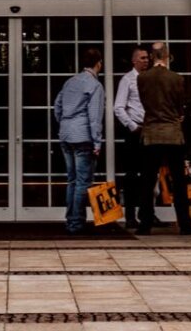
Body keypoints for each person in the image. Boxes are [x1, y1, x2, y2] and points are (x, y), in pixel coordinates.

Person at [136, 40, 191, 235]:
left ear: (152, 56)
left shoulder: (142, 78)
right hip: (172, 133)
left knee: (148, 180)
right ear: (166, 56)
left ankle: (145, 223)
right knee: (179, 181)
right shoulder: (176, 78)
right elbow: (180, 107)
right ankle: (184, 223)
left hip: (151, 133)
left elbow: (144, 102)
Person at [54, 45, 104, 237]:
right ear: (99, 64)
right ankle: (76, 223)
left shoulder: (70, 82)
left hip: (66, 134)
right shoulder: (95, 85)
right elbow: (94, 116)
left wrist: (64, 123)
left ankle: (71, 220)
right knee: (83, 181)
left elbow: (57, 106)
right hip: (83, 135)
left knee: (72, 180)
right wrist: (97, 142)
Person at [113, 45, 149, 229]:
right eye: (142, 58)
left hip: (150, 130)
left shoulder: (150, 79)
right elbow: (118, 107)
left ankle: (147, 213)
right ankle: (130, 215)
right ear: (134, 60)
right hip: (134, 131)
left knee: (149, 175)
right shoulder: (127, 80)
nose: (146, 60)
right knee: (132, 175)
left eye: (147, 58)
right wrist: (132, 126)